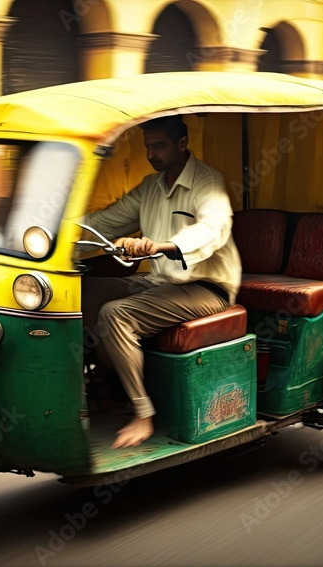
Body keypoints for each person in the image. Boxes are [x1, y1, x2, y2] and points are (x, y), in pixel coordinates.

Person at [82, 115, 241, 449]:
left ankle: (143, 414)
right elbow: (104, 222)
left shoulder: (207, 182)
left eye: (160, 146)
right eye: (147, 147)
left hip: (207, 287)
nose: (151, 154)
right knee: (84, 292)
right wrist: (48, 232)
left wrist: (163, 246)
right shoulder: (150, 187)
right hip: (159, 282)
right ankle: (106, 384)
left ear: (182, 144)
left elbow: (213, 228)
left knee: (116, 313)